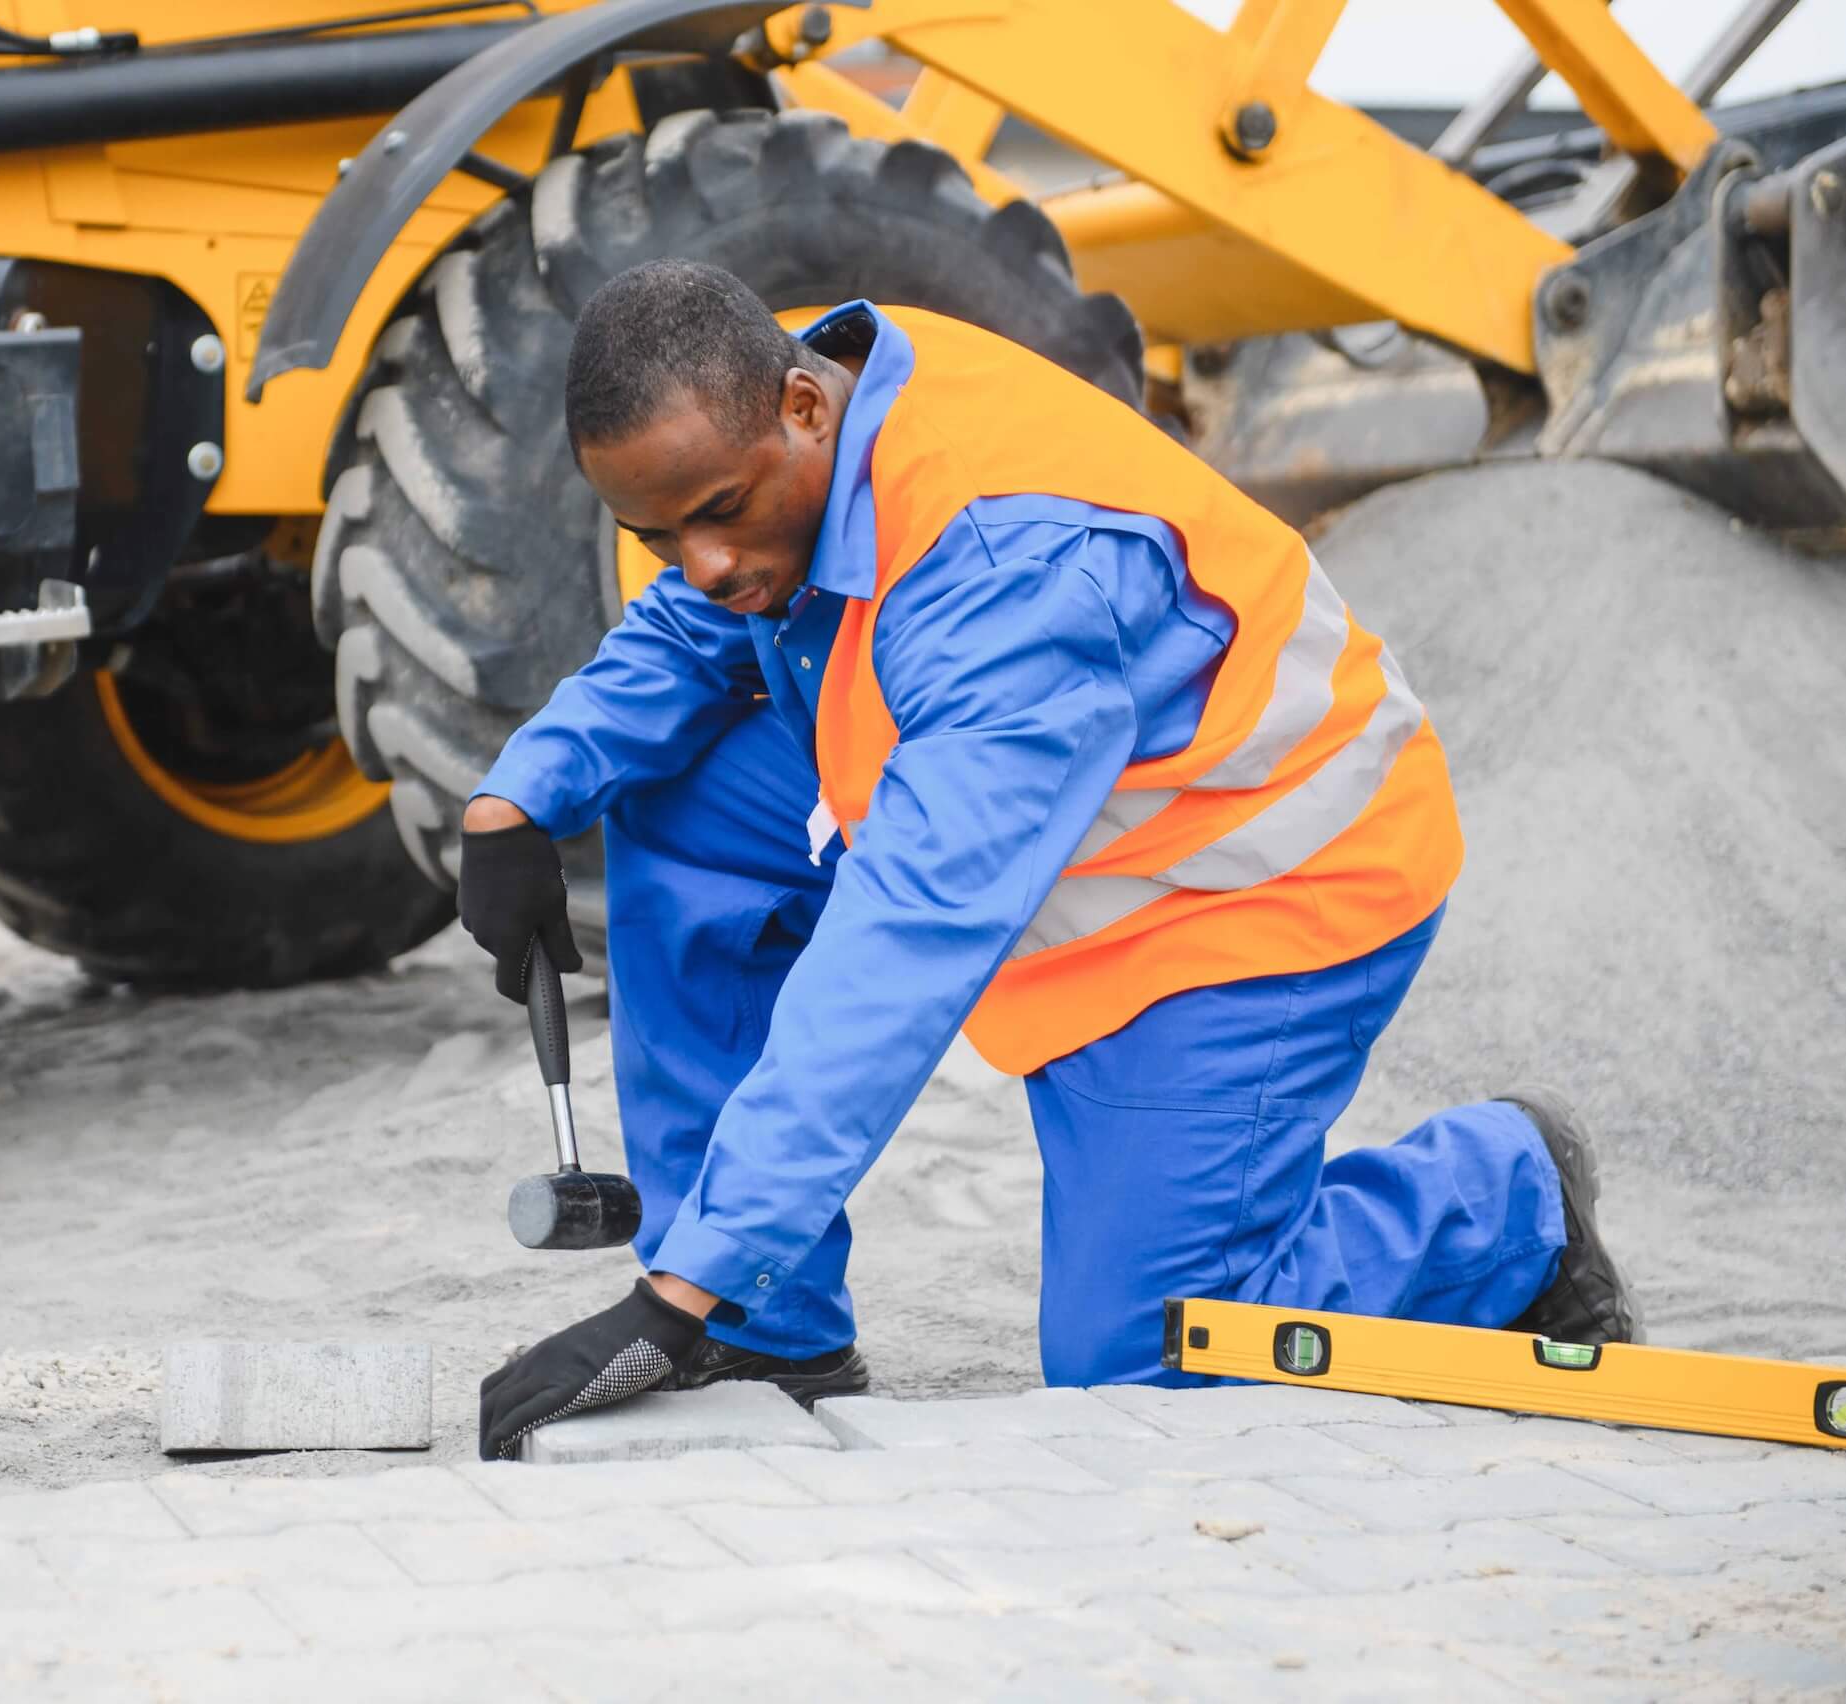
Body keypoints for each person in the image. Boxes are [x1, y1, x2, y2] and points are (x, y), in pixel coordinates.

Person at [464, 260, 1640, 1463]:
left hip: (1247, 880)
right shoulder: (797, 404)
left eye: (716, 511)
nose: (701, 561)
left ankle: (1502, 1195)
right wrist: (519, 794)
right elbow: (693, 623)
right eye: (656, 533)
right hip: (1059, 814)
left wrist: (676, 1290)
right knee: (684, 793)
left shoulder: (1001, 570)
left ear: (803, 410)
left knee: (1141, 1365)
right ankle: (767, 1330)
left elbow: (899, 950)